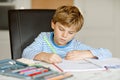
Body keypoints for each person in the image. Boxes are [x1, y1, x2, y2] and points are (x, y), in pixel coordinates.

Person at [22, 5, 112, 63]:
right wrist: (44, 56)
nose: (64, 36)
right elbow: (26, 53)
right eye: (61, 29)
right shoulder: (43, 38)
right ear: (53, 24)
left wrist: (86, 53)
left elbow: (107, 53)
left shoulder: (75, 45)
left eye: (70, 32)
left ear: (75, 32)